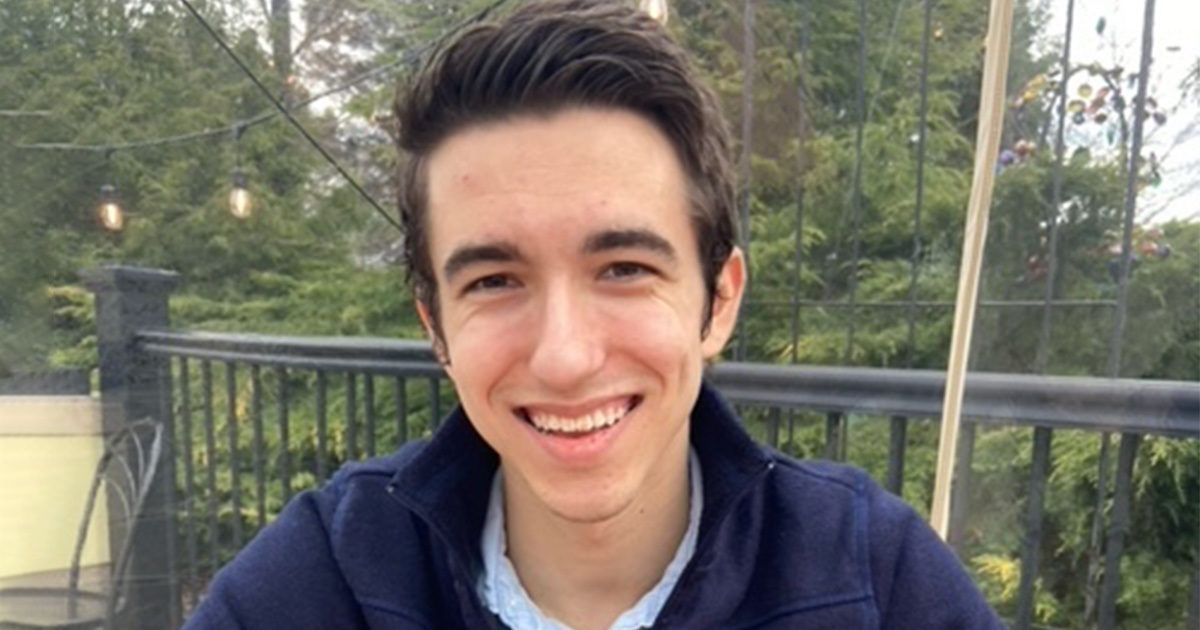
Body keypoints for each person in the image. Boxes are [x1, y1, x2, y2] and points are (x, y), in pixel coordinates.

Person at [184, 1, 1005, 628]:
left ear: (718, 302)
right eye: (496, 282)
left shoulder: (871, 579)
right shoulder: (322, 582)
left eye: (624, 269)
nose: (566, 357)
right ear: (435, 328)